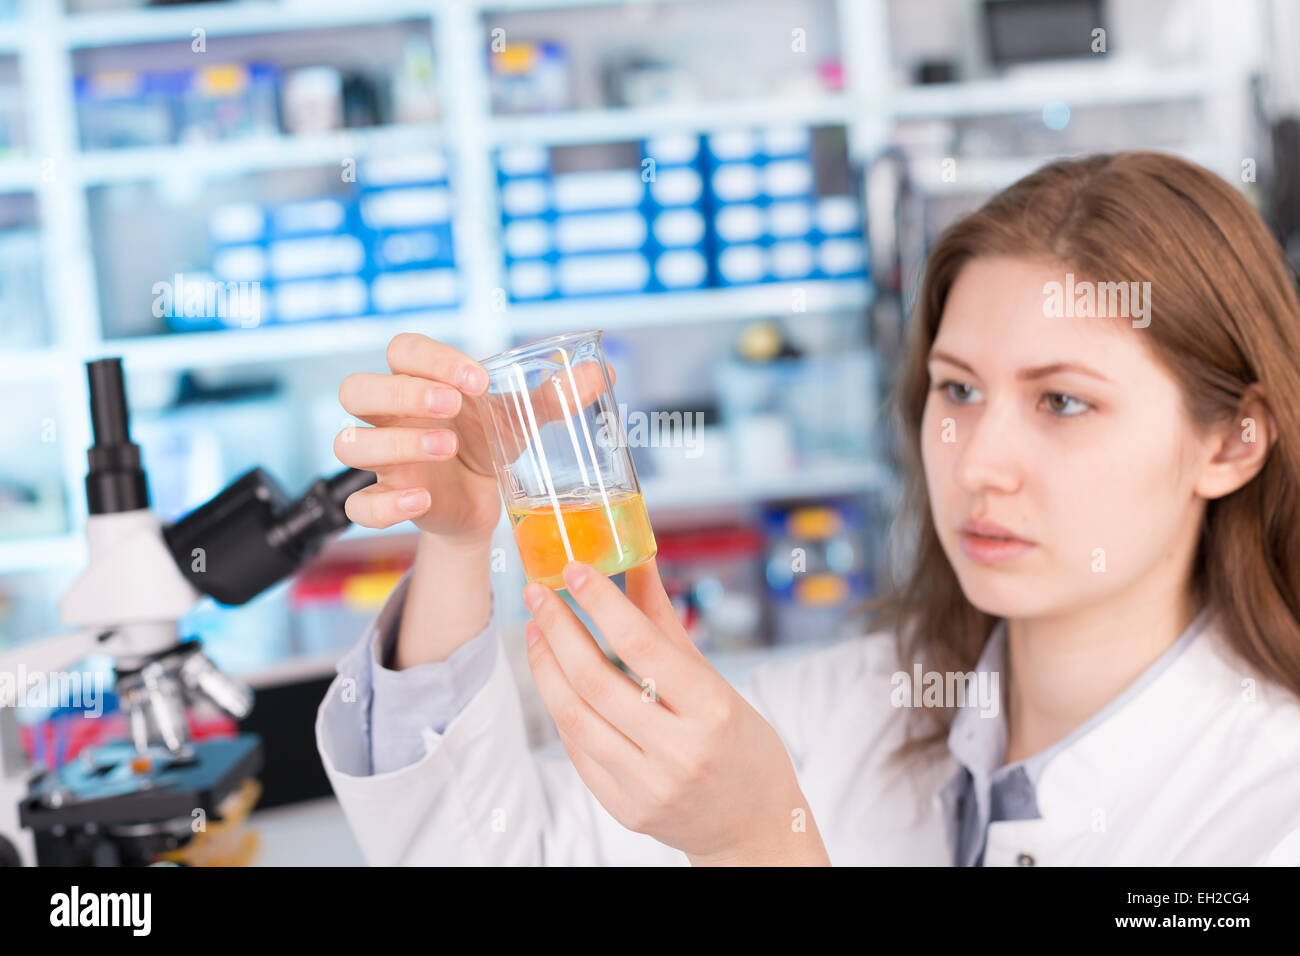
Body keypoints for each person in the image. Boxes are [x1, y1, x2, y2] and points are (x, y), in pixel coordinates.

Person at [315, 151, 1300, 865]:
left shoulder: (1270, 805)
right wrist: (457, 540)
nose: (979, 463)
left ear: (1231, 441)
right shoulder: (841, 708)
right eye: (957, 390)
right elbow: (499, 856)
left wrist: (756, 840)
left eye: (1064, 401)